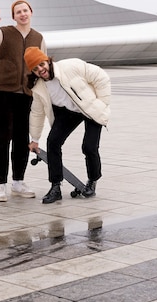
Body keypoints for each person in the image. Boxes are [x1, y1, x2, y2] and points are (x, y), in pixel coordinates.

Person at [0, 1, 46, 202]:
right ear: (13, 16)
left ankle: (18, 182)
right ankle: (0, 185)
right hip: (3, 93)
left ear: (31, 12)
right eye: (18, 12)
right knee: (2, 139)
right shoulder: (3, 33)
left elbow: (42, 67)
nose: (22, 14)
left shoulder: (38, 38)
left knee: (21, 140)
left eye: (25, 10)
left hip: (26, 93)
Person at [24, 47, 111, 204]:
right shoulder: (39, 88)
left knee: (89, 147)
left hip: (88, 107)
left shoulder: (71, 66)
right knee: (53, 142)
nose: (41, 70)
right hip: (68, 112)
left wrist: (102, 103)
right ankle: (55, 186)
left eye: (42, 64)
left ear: (48, 61)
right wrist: (35, 139)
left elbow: (101, 76)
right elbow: (36, 113)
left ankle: (92, 180)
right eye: (36, 69)